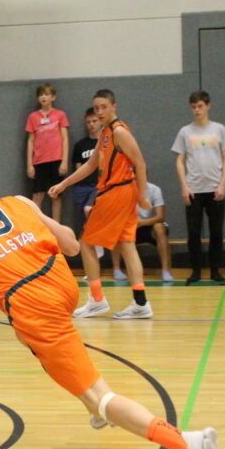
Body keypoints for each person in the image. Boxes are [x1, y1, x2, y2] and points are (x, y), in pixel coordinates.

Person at [0, 185, 220, 449]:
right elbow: (72, 245)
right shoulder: (18, 203)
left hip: (33, 304)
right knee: (29, 338)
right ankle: (94, 409)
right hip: (62, 285)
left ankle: (187, 444)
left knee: (100, 397)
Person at [49, 88, 154, 319]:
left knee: (86, 244)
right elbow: (90, 165)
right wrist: (63, 184)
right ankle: (141, 303)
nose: (99, 112)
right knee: (127, 245)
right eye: (96, 108)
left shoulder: (119, 132)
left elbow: (140, 163)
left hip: (117, 192)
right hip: (121, 192)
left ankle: (96, 300)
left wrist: (143, 195)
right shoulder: (105, 132)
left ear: (114, 106)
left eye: (103, 107)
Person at [171, 90, 225, 285]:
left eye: (200, 106)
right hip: (194, 189)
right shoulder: (185, 132)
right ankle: (196, 271)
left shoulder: (219, 129)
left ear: (208, 106)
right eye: (194, 107)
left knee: (216, 232)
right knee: (194, 233)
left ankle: (215, 270)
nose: (197, 110)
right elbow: (179, 160)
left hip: (215, 188)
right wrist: (184, 186)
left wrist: (223, 184)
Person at [109, 181, 173, 283]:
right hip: (129, 226)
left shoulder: (154, 189)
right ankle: (116, 269)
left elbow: (160, 217)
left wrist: (141, 223)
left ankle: (166, 270)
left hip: (147, 226)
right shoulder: (123, 190)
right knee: (116, 228)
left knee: (160, 228)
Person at [25, 83, 70, 223]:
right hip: (39, 161)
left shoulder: (60, 115)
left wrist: (64, 161)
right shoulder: (33, 117)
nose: (43, 97)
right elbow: (31, 140)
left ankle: (56, 226)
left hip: (56, 160)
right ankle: (36, 225)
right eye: (41, 95)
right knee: (37, 195)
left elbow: (64, 138)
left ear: (53, 97)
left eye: (46, 94)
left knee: (56, 195)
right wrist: (29, 164)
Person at [69, 107, 102, 235]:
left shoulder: (105, 143)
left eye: (94, 121)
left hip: (98, 185)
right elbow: (78, 167)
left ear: (100, 121)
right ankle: (83, 241)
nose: (91, 124)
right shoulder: (80, 145)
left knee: (90, 210)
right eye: (88, 122)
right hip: (82, 186)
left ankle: (97, 240)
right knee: (81, 220)